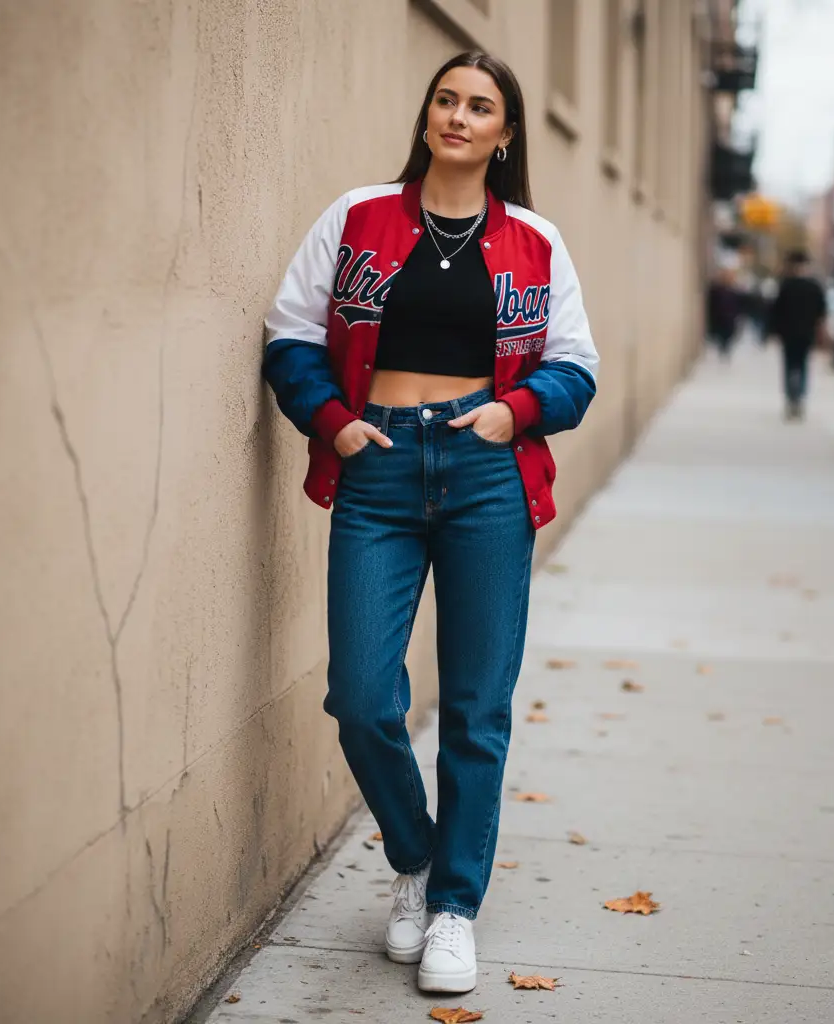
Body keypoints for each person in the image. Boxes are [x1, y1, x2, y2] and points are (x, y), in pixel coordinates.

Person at [261, 51, 598, 994]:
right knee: (365, 700)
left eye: (479, 105)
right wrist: (334, 423)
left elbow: (575, 367)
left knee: (475, 711)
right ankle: (415, 859)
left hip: (488, 470)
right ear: (427, 117)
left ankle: (452, 908)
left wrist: (513, 413)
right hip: (378, 467)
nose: (457, 115)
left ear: (505, 132)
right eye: (446, 99)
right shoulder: (359, 215)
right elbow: (290, 333)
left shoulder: (535, 239)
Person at [767, 250, 827, 420]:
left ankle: (791, 397)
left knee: (789, 365)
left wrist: (773, 331)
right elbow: (821, 313)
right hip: (806, 334)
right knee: (802, 365)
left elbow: (775, 311)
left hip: (788, 334)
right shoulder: (814, 286)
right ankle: (798, 397)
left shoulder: (786, 285)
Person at [706, 268, 741, 359]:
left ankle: (725, 351)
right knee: (722, 337)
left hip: (729, 318)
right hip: (720, 318)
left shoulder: (733, 291)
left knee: (728, 337)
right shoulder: (716, 290)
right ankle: (723, 351)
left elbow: (737, 305)